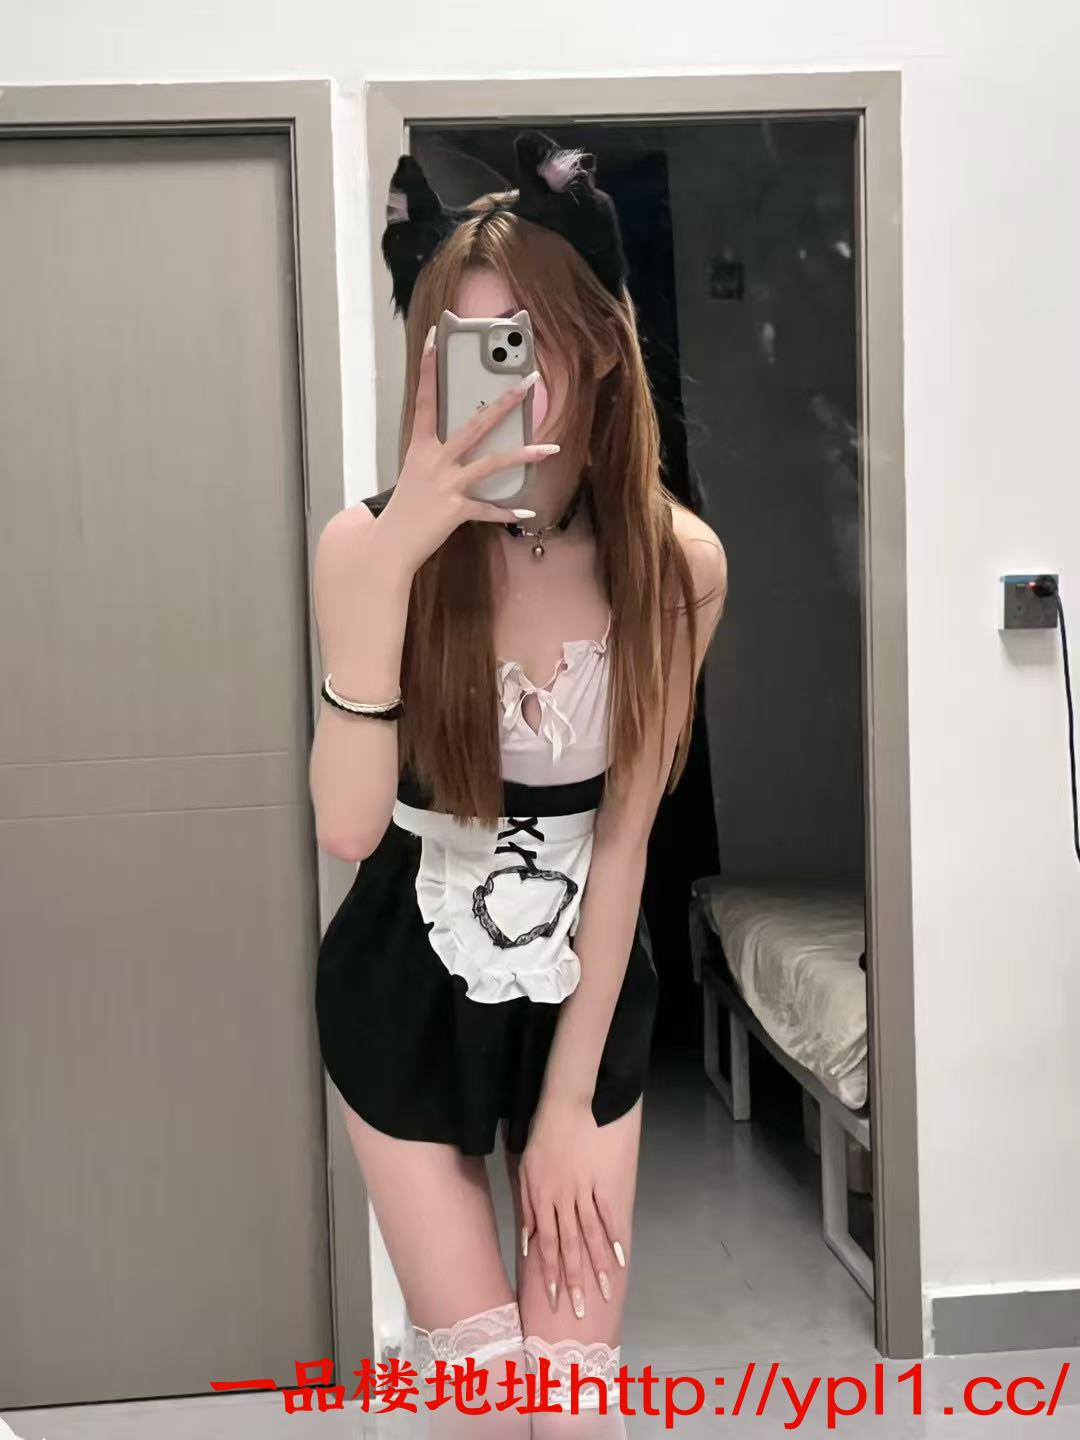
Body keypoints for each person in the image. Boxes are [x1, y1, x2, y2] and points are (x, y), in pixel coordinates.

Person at [309, 132, 727, 1435]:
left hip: (582, 991)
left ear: (599, 348)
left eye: (531, 338)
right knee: (486, 1399)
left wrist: (565, 1109)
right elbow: (347, 828)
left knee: (573, 1403)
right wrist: (393, 566)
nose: (508, 377)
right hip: (402, 976)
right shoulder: (365, 546)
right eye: (473, 344)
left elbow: (625, 844)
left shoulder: (677, 565)